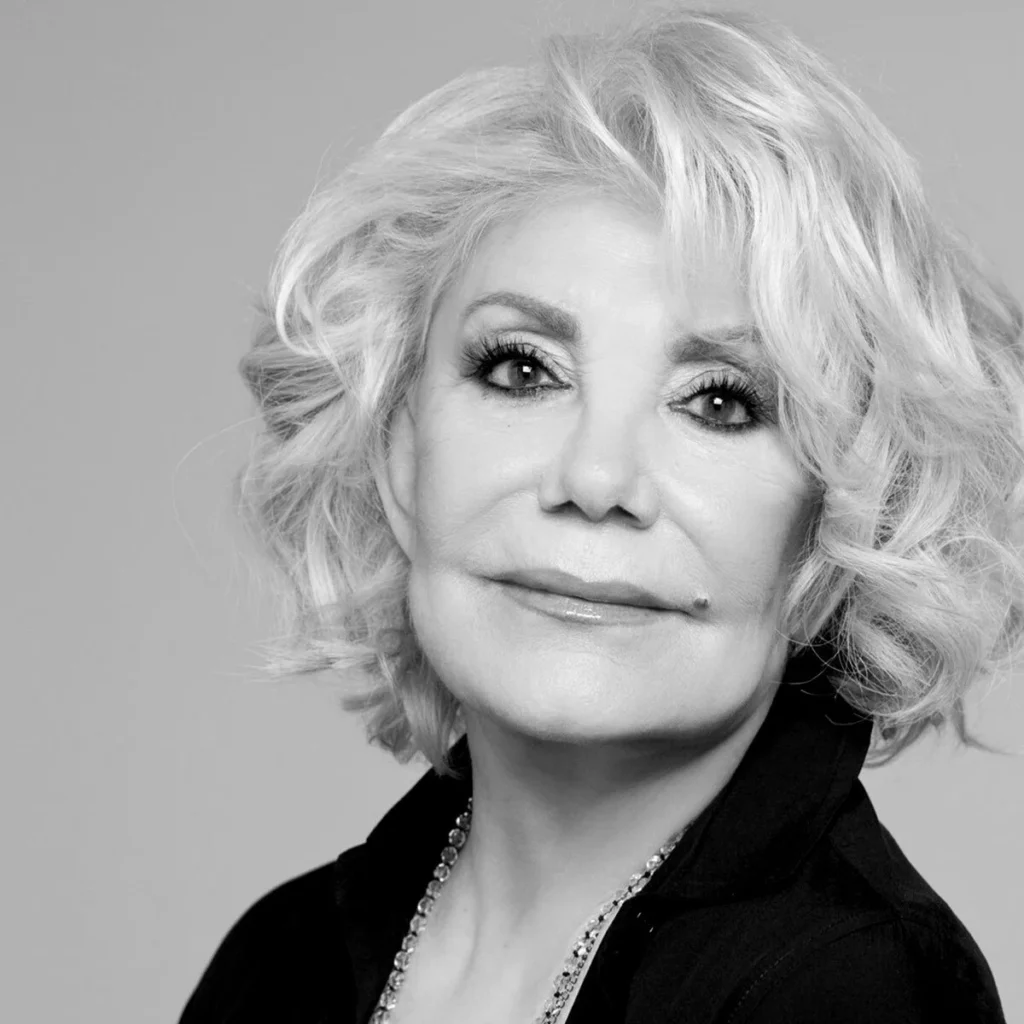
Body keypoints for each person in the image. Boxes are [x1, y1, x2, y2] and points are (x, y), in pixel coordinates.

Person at [179, 5, 1024, 1022]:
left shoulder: (855, 990)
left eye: (720, 400)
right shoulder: (280, 960)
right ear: (397, 450)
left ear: (836, 525)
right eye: (521, 369)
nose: (595, 476)